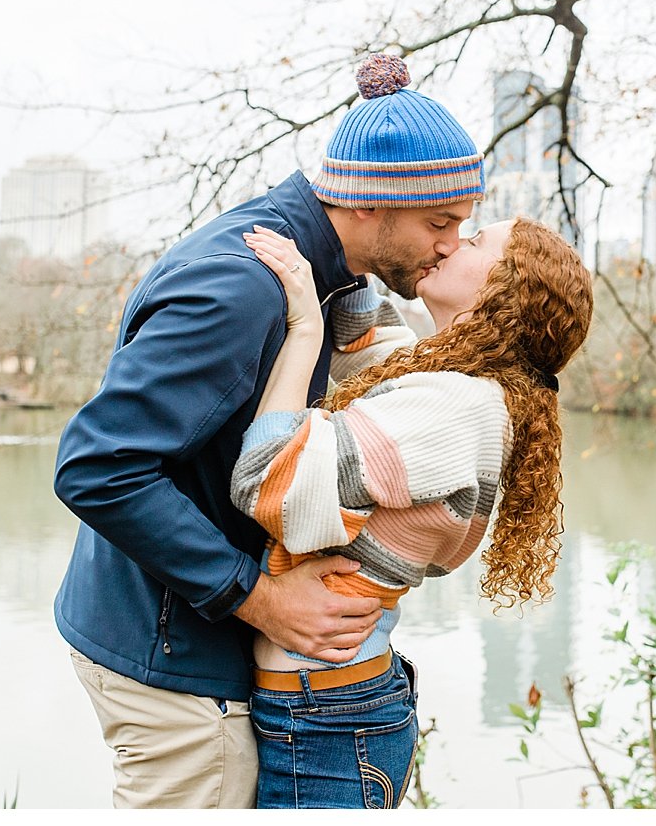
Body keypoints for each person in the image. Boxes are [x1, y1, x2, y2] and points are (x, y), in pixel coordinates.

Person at [51, 54, 486, 808]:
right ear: (372, 204)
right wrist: (258, 598)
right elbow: (98, 466)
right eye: (439, 222)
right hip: (176, 669)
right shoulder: (242, 286)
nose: (450, 244)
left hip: (197, 650)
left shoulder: (325, 274)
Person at [229, 98, 595, 806]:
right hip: (329, 705)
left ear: (501, 295)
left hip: (330, 721)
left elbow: (267, 481)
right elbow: (372, 350)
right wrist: (363, 235)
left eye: (474, 240)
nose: (451, 242)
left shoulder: (458, 411)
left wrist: (305, 326)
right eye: (445, 227)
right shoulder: (468, 385)